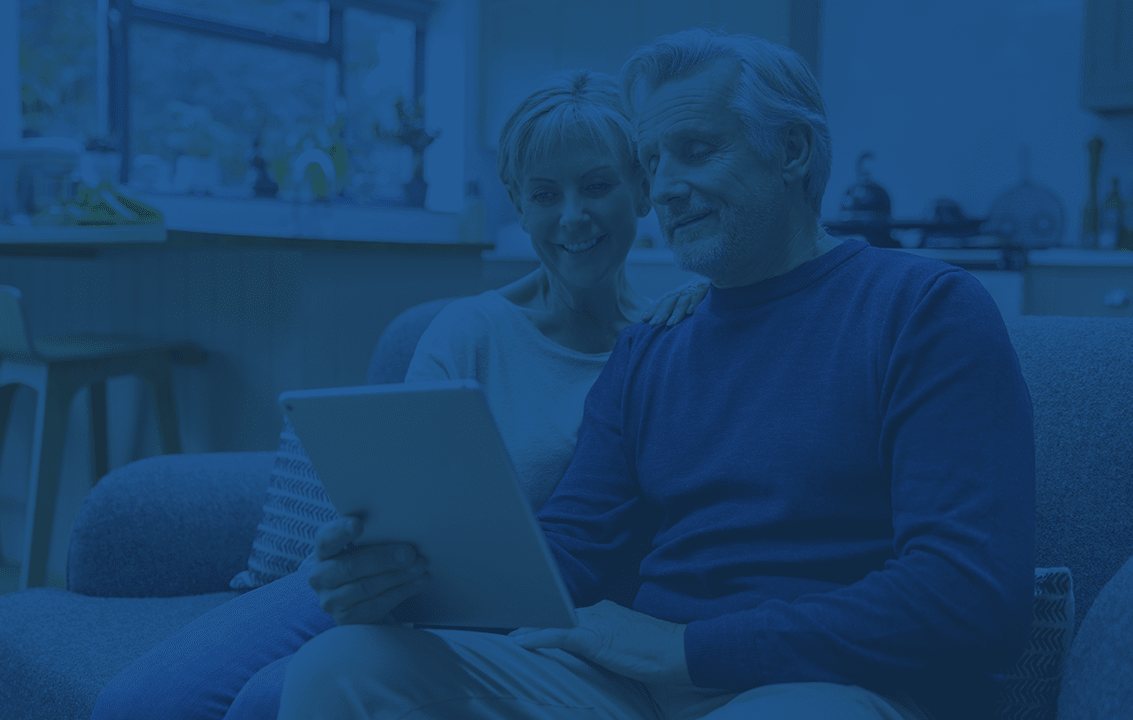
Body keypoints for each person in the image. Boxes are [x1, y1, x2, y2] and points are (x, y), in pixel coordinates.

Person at [278, 28, 1035, 720]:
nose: (663, 188)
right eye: (651, 161)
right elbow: (573, 548)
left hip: (822, 686)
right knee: (343, 669)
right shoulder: (652, 348)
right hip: (634, 687)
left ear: (793, 151)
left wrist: (686, 650)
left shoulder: (924, 309)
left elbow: (965, 593)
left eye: (697, 150)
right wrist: (408, 583)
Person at [90, 70, 709, 720]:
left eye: (598, 185)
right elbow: (397, 500)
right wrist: (347, 554)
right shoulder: (469, 329)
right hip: (386, 582)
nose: (573, 216)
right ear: (518, 205)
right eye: (545, 193)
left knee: (266, 702)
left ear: (642, 187)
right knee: (135, 705)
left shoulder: (666, 342)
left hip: (502, 625)